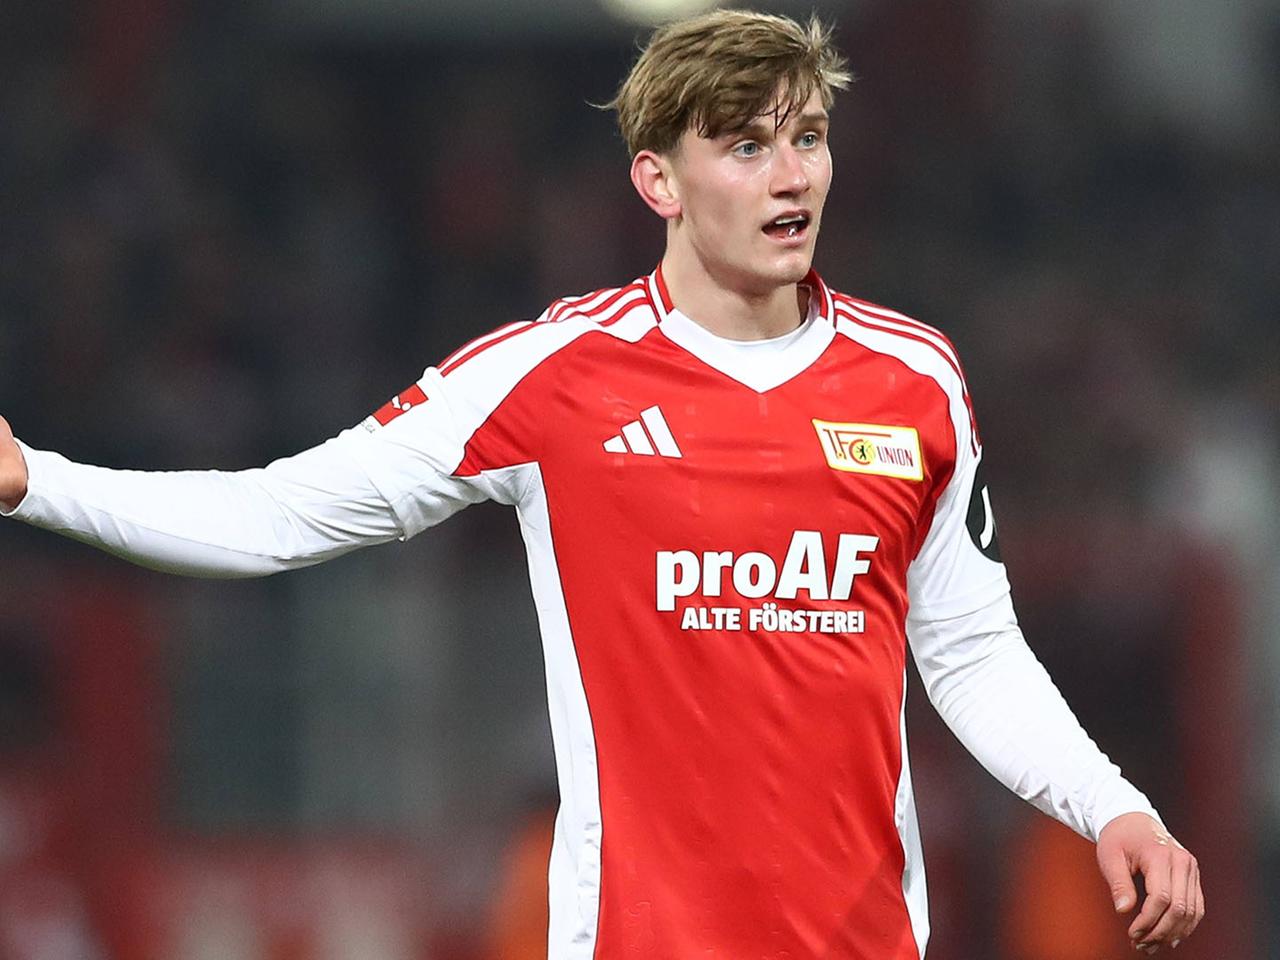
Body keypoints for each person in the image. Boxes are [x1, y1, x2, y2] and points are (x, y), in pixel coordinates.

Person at [0, 9, 1202, 959]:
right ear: (657, 182)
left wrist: (1110, 806)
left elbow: (970, 651)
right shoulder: (549, 379)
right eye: (745, 146)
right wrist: (35, 482)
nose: (791, 177)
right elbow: (277, 517)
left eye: (806, 138)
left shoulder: (913, 382)